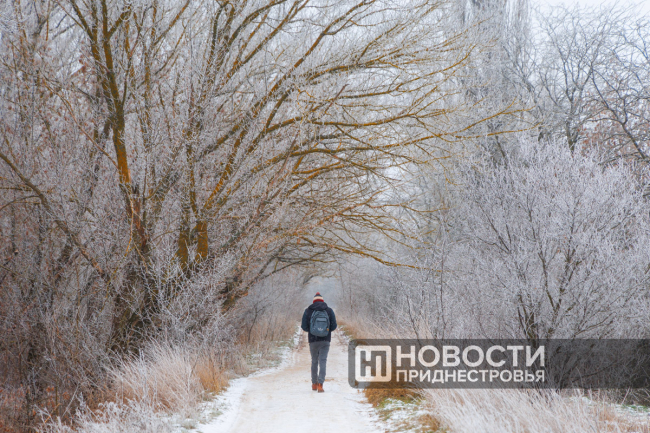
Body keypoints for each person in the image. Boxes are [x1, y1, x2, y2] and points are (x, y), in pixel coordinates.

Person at [301, 292, 337, 392]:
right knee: (323, 361)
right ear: (322, 300)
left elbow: (304, 326)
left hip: (313, 340)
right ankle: (321, 384)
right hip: (325, 340)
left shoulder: (308, 311)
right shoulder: (329, 310)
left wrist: (312, 331)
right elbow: (334, 326)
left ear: (313, 301)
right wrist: (325, 331)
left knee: (314, 361)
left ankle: (314, 384)